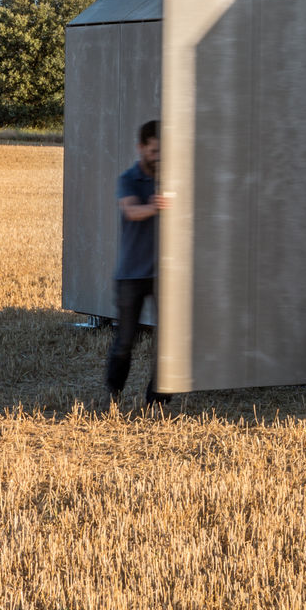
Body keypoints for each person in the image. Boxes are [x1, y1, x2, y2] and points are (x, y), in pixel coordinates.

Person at [106, 119, 172, 405]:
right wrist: (156, 206)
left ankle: (156, 401)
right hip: (130, 275)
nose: (158, 157)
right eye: (154, 151)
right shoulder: (128, 179)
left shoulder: (169, 179)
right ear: (141, 148)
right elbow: (131, 211)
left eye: (162, 151)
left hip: (163, 275)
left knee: (168, 344)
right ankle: (113, 393)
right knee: (125, 343)